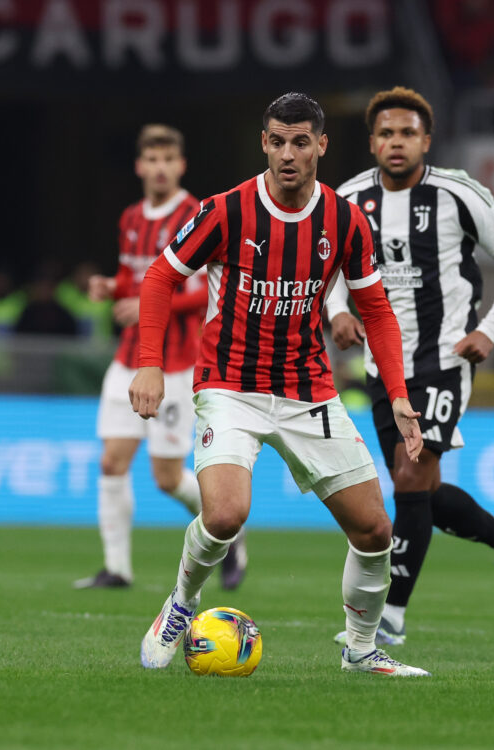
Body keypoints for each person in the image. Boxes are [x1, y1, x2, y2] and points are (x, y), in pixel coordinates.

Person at [129, 93, 430, 677]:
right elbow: (161, 275)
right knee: (225, 515)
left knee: (375, 529)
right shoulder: (226, 211)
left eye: (300, 142)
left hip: (307, 390)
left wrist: (397, 393)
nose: (288, 154)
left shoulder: (345, 220)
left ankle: (360, 650)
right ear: (263, 143)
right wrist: (150, 362)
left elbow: (376, 310)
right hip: (229, 386)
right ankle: (180, 605)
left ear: (321, 145)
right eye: (277, 141)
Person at [324, 87, 494, 647]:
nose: (397, 142)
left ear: (426, 140)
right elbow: (327, 265)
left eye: (408, 133)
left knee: (410, 476)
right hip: (383, 364)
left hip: (445, 356)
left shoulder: (457, 192)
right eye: (386, 133)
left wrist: (488, 329)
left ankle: (390, 617)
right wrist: (337, 310)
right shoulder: (348, 199)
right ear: (372, 142)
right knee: (422, 490)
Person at [74, 124, 247, 591]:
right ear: (139, 166)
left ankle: (230, 531)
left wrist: (149, 302)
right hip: (128, 358)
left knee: (167, 478)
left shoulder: (196, 214)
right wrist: (112, 287)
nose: (160, 168)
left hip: (177, 364)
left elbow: (207, 290)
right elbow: (132, 277)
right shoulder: (131, 217)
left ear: (181, 165)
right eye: (152, 159)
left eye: (168, 159)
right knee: (111, 462)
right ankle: (117, 568)